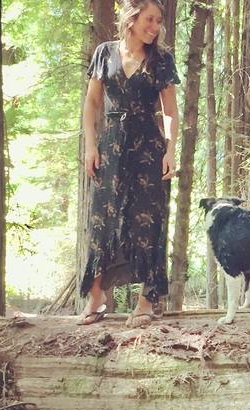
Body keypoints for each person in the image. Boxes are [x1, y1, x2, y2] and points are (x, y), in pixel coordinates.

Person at [78, 0, 180, 327]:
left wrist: (170, 150)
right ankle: (96, 297)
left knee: (148, 221)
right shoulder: (105, 53)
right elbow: (92, 103)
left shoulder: (162, 59)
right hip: (111, 147)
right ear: (132, 18)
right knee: (103, 220)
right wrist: (91, 146)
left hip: (149, 148)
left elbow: (170, 112)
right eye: (150, 19)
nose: (155, 27)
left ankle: (147, 300)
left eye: (159, 21)